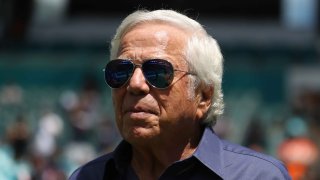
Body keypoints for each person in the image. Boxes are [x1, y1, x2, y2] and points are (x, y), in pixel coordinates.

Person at [69, 9, 291, 180]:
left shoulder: (257, 176)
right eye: (120, 72)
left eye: (157, 71)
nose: (135, 84)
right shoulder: (87, 177)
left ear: (203, 97)